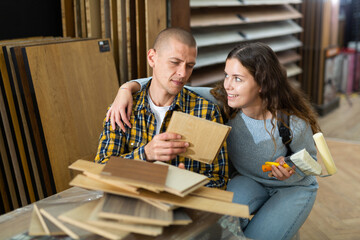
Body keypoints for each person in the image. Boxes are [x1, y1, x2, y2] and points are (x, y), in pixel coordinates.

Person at [106, 42, 321, 240]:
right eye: (227, 75)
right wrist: (126, 88)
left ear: (262, 84)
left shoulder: (293, 125)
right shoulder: (226, 102)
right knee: (219, 227)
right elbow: (172, 84)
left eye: (238, 78)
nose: (228, 85)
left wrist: (291, 170)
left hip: (292, 189)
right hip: (248, 180)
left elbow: (311, 165)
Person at [95, 27, 228, 189]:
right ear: (152, 58)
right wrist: (145, 154)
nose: (182, 73)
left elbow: (219, 179)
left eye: (190, 66)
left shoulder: (206, 112)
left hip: (183, 206)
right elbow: (101, 169)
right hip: (130, 199)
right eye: (175, 62)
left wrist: (186, 184)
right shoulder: (122, 110)